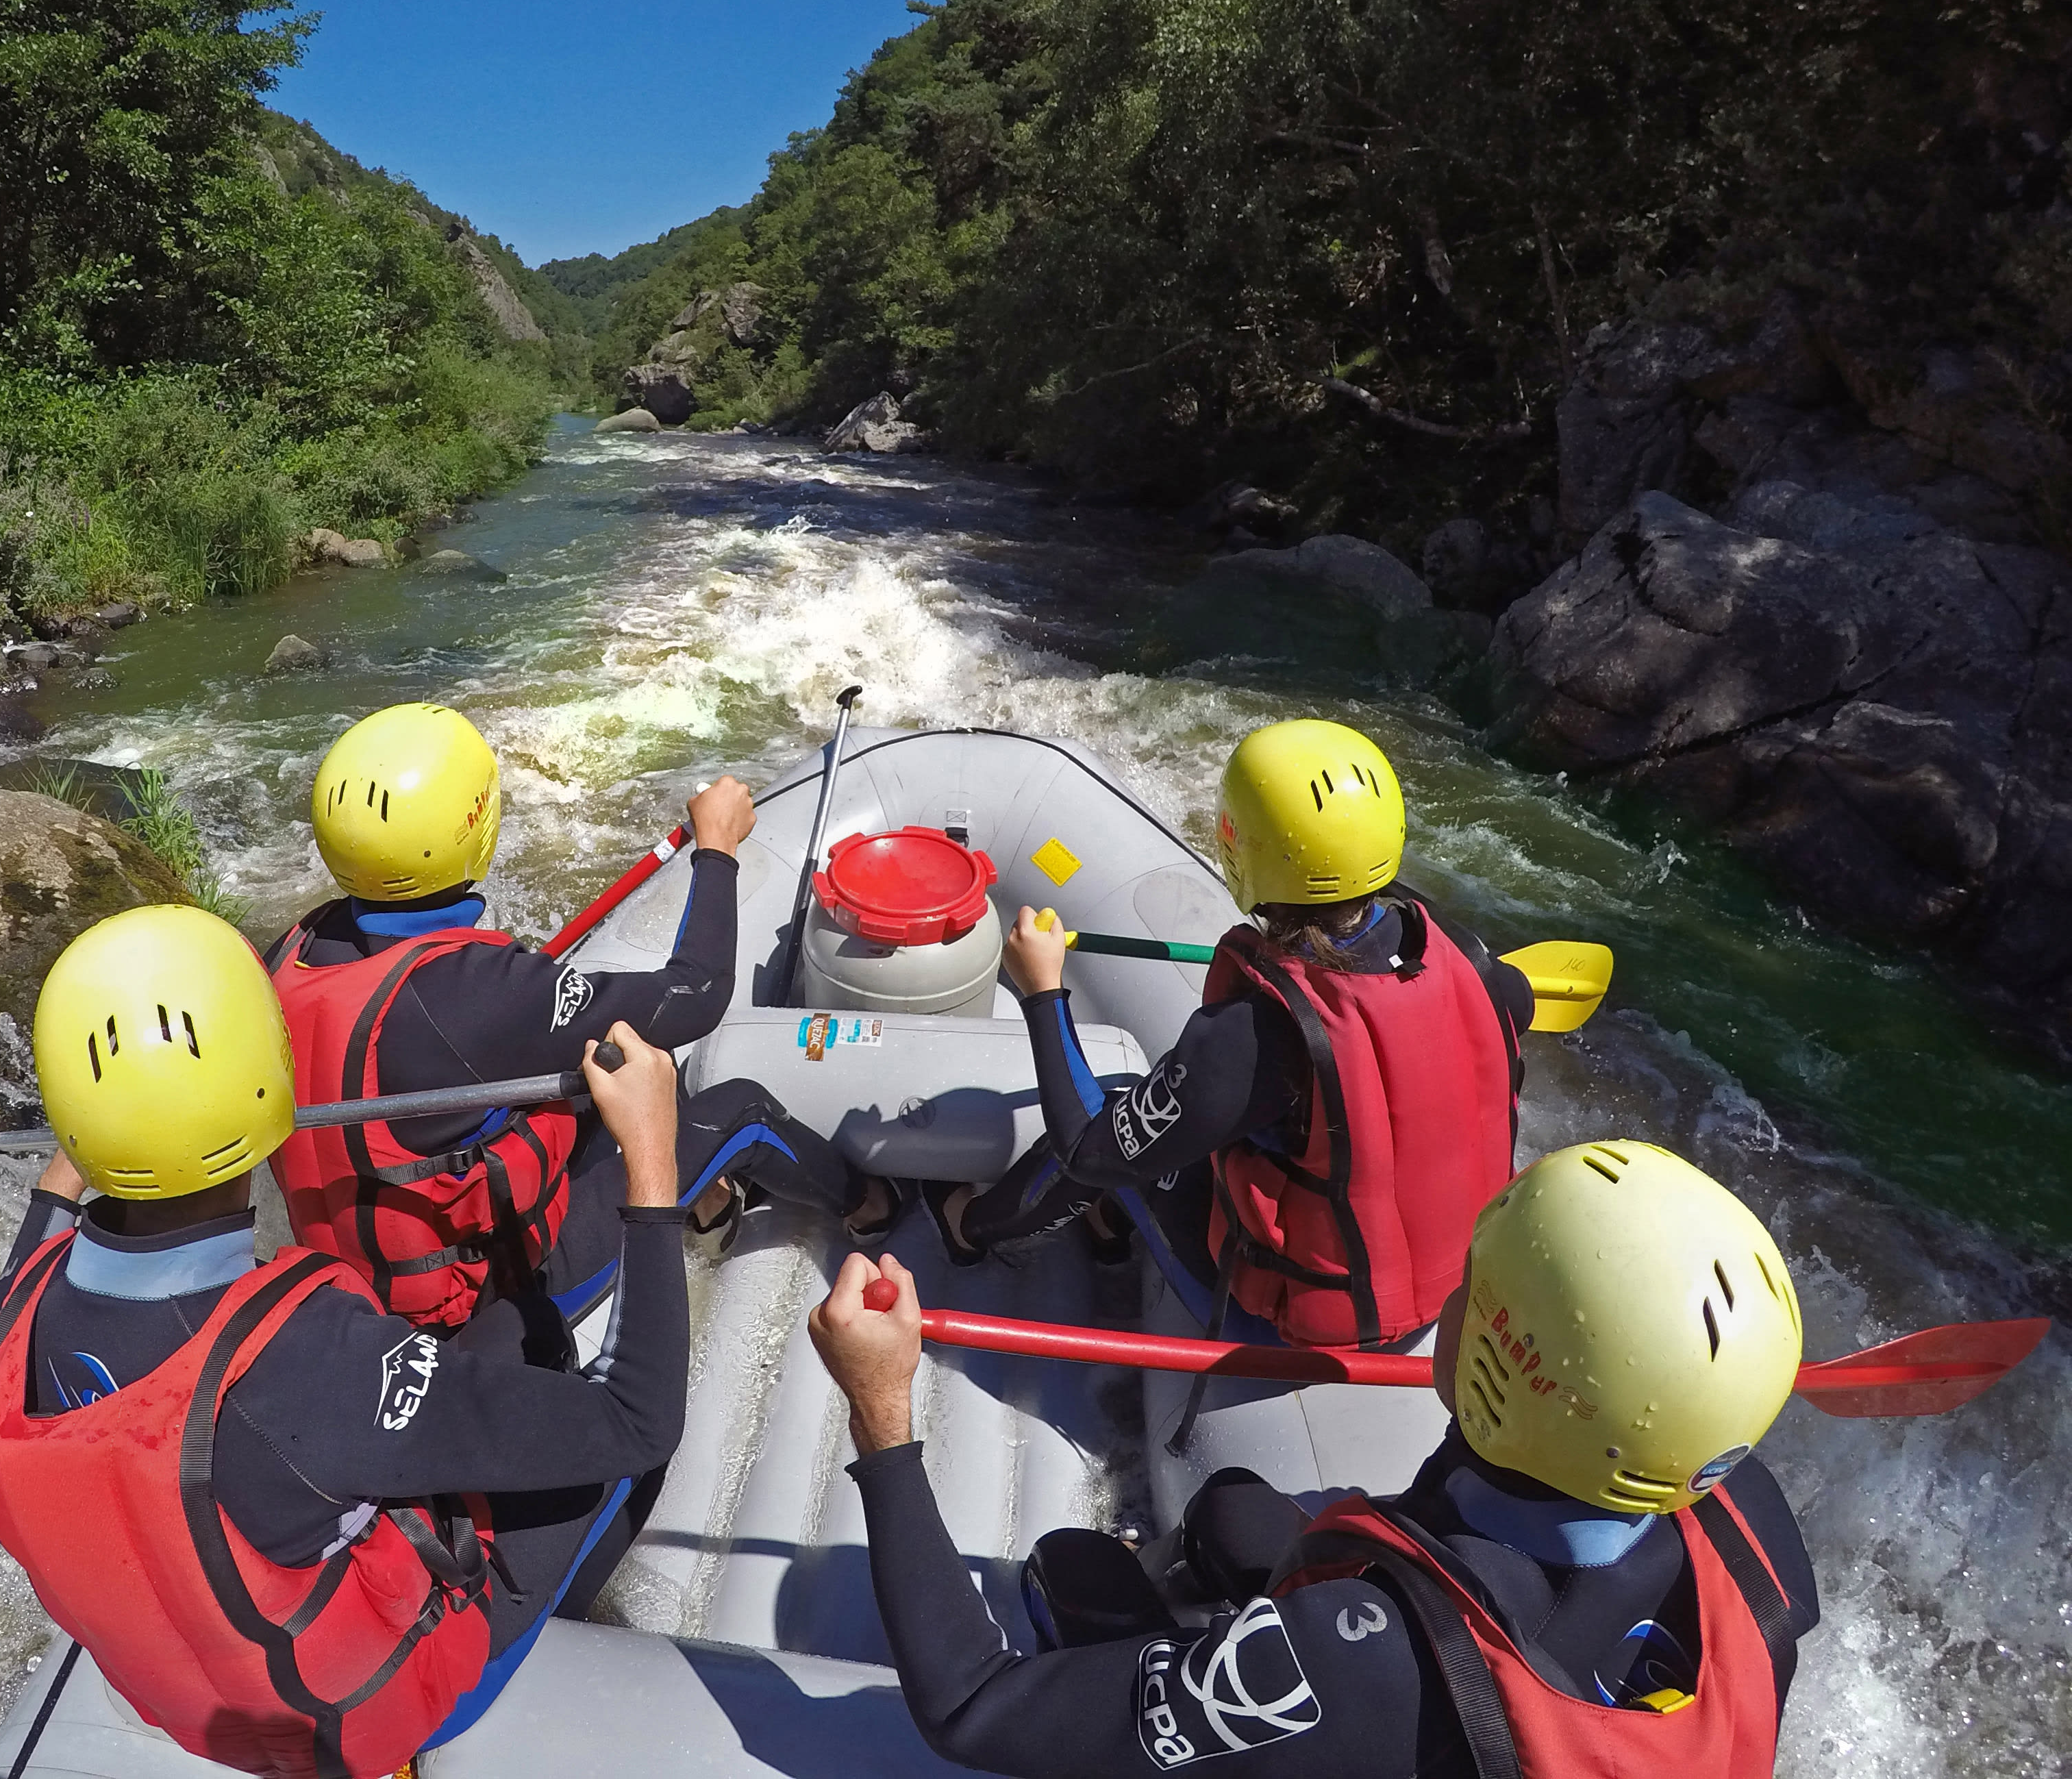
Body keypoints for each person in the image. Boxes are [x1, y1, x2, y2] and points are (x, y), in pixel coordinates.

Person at [0, 905, 698, 1779]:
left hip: (191, 1698)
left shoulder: (0, 1338)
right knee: (583, 1397)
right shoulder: (312, 1361)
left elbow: (52, 1213)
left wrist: (109, 1127)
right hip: (363, 1715)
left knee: (500, 1330)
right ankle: (537, 1626)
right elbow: (640, 1419)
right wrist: (652, 1170)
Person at [810, 1139, 1820, 1778]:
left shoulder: (1353, 1661)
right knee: (1234, 1517)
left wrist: (881, 1413)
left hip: (1414, 1698)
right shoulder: (1750, 1515)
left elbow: (971, 1705)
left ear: (1501, 1365)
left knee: (1077, 1573)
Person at [266, 700, 890, 1331]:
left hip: (357, 1287)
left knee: (633, 1061)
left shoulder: (290, 951)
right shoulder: (479, 991)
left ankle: (708, 1209)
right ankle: (869, 1205)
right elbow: (697, 992)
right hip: (496, 1303)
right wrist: (717, 848)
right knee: (744, 1110)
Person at [936, 719, 1532, 1354]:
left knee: (1112, 1102)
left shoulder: (1259, 1037)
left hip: (1321, 1309)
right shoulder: (1476, 967)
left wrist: (1041, 989)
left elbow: (1088, 1145)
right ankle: (1110, 1224)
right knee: (1251, 1124)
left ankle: (969, 1228)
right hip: (1452, 1284)